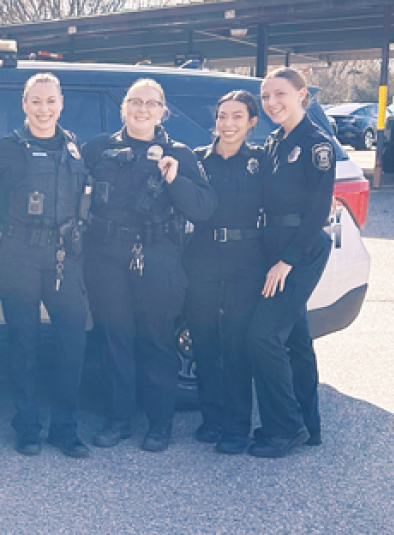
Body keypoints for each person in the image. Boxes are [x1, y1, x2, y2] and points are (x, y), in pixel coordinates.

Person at [82, 78, 216, 452]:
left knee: (157, 340)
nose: (143, 109)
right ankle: (118, 419)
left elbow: (205, 207)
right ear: (123, 107)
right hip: (106, 254)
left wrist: (175, 180)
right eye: (135, 102)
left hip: (158, 254)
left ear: (162, 111)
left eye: (151, 103)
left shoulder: (180, 153)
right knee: (114, 338)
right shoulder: (97, 149)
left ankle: (160, 423)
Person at [0, 73, 92, 459]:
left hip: (64, 258)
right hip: (19, 255)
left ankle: (65, 428)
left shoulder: (75, 148)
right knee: (24, 344)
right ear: (24, 105)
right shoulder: (7, 149)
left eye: (51, 101)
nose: (44, 109)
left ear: (62, 103)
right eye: (36, 101)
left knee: (72, 343)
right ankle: (27, 427)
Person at [246, 67, 335, 458]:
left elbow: (318, 210)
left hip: (300, 250)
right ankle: (309, 424)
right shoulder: (274, 141)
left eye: (279, 94)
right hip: (275, 246)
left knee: (262, 336)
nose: (271, 103)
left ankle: (285, 427)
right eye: (266, 97)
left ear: (302, 94)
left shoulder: (316, 143)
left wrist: (286, 261)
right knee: (296, 339)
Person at [184, 91, 266, 455]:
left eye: (237, 117)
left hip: (245, 258)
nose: (228, 124)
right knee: (203, 340)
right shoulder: (197, 161)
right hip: (201, 255)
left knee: (235, 343)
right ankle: (212, 418)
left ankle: (236, 425)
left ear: (251, 123)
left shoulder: (261, 162)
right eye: (222, 116)